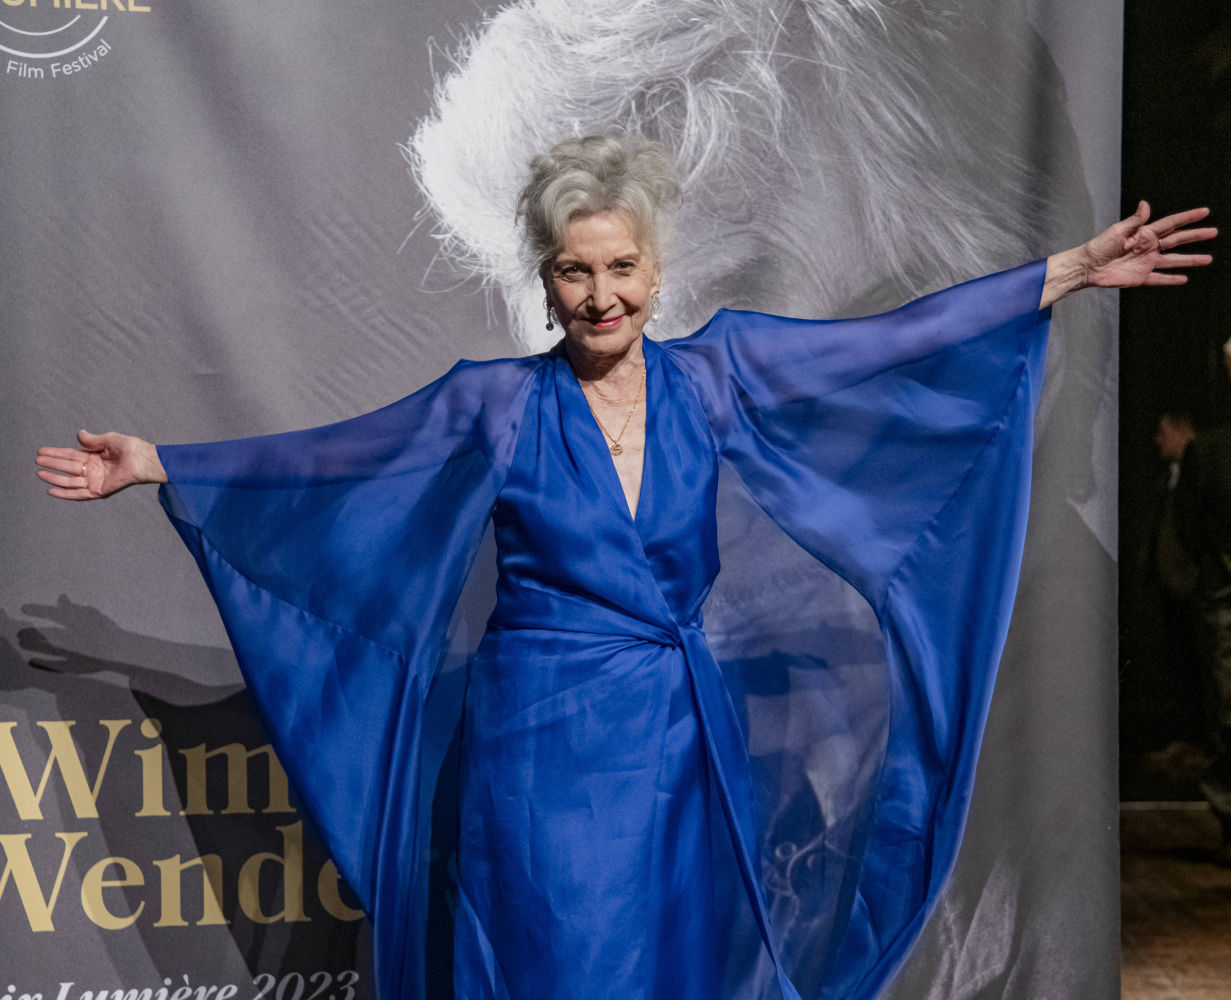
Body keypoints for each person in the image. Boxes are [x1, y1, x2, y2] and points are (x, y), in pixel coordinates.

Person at [36, 135, 1215, 1000]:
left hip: (680, 735)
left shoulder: (720, 375)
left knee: (678, 964)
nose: (599, 296)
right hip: (538, 745)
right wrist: (162, 463)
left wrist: (1058, 275)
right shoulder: (494, 404)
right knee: (556, 958)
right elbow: (335, 461)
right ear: (544, 278)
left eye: (620, 267)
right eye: (573, 270)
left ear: (657, 267)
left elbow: (886, 344)